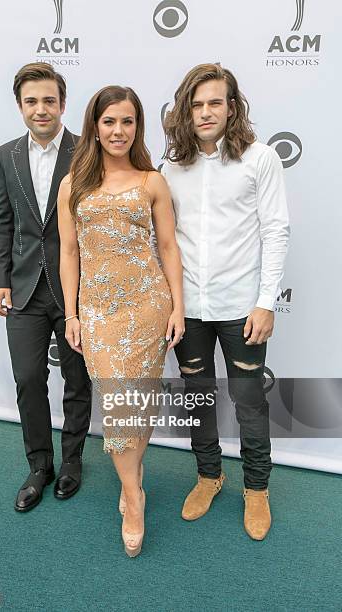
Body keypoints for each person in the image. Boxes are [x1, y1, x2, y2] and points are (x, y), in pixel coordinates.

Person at [162, 63, 290, 540]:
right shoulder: (171, 168)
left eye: (215, 102)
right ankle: (208, 476)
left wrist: (265, 302)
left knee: (249, 402)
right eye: (196, 105)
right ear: (185, 112)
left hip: (242, 309)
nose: (205, 112)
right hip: (189, 309)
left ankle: (256, 488)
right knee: (198, 399)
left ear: (232, 107)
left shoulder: (261, 159)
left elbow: (276, 231)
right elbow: (165, 241)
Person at [57, 85, 184, 556]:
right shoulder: (73, 185)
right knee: (118, 409)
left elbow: (169, 248)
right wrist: (71, 313)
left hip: (148, 307)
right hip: (100, 313)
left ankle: (133, 476)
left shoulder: (152, 181)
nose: (118, 130)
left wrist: (177, 306)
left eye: (127, 121)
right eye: (109, 121)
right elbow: (69, 253)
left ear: (138, 127)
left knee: (141, 402)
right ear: (94, 125)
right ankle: (133, 497)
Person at [0, 63, 91, 513]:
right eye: (31, 101)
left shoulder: (87, 151)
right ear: (20, 107)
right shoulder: (5, 154)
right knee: (29, 379)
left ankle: (72, 461)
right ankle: (39, 465)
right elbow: (1, 221)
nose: (41, 109)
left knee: (77, 380)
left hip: (78, 291)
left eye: (49, 100)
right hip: (24, 290)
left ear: (62, 104)